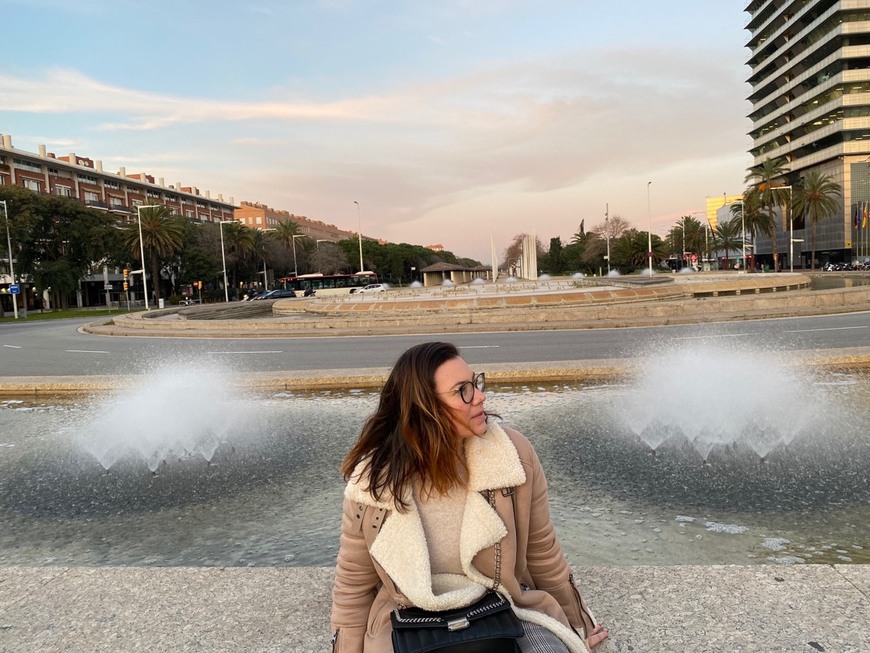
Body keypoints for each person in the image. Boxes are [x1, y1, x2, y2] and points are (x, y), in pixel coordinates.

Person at [331, 341, 608, 653]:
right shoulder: (374, 481)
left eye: (475, 383)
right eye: (463, 390)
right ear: (424, 407)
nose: (480, 396)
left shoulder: (514, 456)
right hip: (408, 622)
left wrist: (577, 625)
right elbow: (353, 586)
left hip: (505, 609)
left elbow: (544, 554)